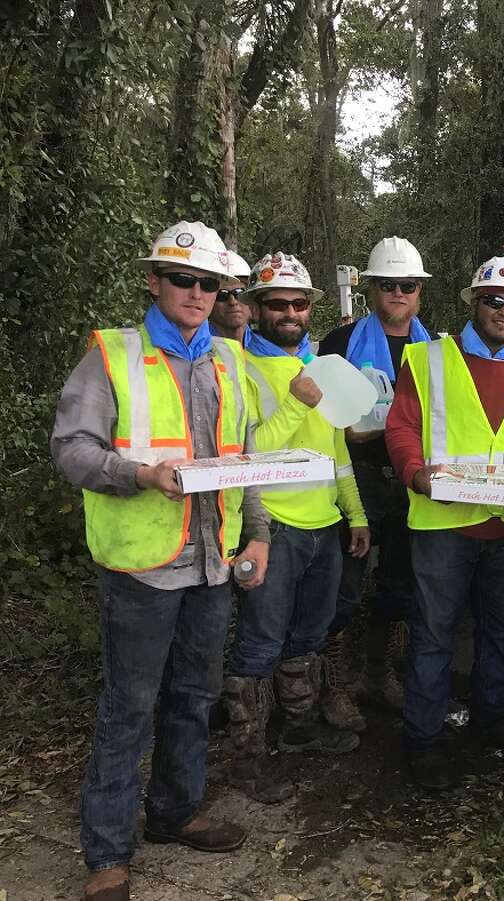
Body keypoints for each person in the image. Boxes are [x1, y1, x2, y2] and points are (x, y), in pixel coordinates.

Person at [52, 221, 270, 901]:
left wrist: (259, 534)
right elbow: (72, 450)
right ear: (155, 281)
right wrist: (140, 474)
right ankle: (107, 855)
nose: (198, 293)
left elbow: (244, 458)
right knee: (129, 707)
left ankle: (175, 812)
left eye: (211, 283)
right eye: (183, 279)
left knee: (195, 697)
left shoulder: (229, 360)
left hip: (212, 563)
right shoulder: (112, 355)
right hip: (142, 569)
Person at [386, 255, 504, 790]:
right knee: (434, 634)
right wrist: (414, 473)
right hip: (442, 524)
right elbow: (402, 426)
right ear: (474, 303)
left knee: (501, 630)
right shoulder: (427, 360)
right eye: (494, 301)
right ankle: (423, 740)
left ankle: (492, 720)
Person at [222, 253, 370, 800]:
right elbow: (243, 454)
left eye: (299, 303)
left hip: (323, 526)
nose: (289, 312)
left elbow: (337, 451)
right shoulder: (238, 369)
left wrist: (355, 514)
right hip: (271, 528)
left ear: (311, 309)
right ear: (256, 309)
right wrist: (293, 403)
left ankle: (299, 730)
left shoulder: (322, 367)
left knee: (309, 636)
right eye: (277, 303)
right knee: (259, 643)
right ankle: (246, 759)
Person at [317, 237, 433, 720]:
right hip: (358, 478)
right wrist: (357, 430)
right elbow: (322, 421)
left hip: (410, 481)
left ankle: (377, 675)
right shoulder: (340, 344)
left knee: (399, 583)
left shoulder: (435, 351)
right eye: (388, 284)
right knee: (343, 584)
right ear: (370, 289)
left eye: (407, 285)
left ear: (419, 291)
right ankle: (332, 685)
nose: (398, 293)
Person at [206, 251, 253, 344]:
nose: (232, 302)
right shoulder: (198, 347)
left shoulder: (267, 345)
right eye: (222, 294)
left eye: (240, 292)